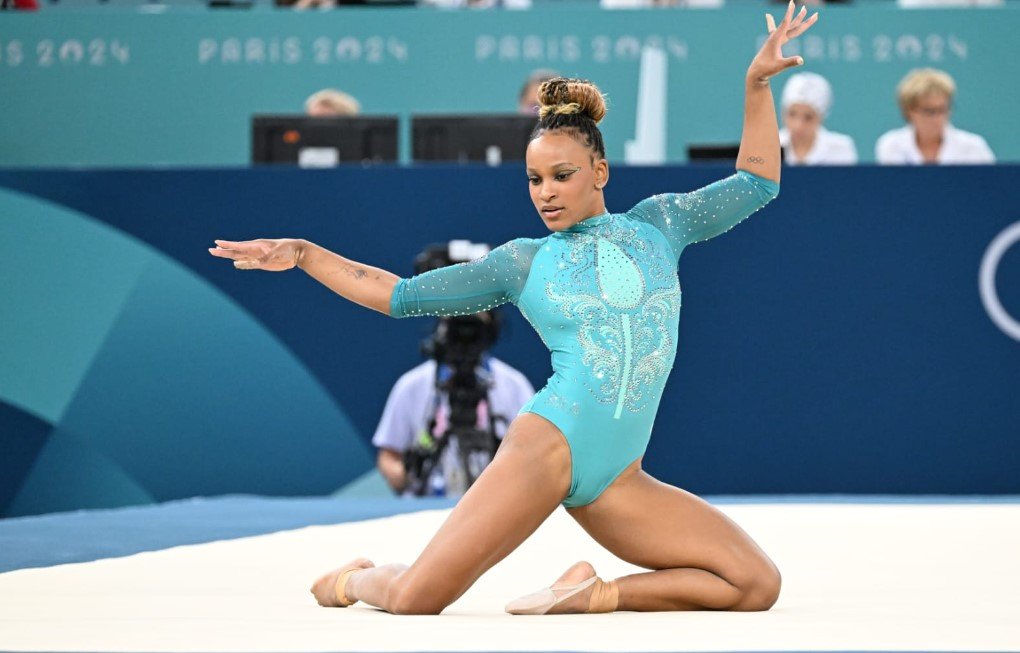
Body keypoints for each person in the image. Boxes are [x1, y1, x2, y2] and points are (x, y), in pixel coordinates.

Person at [209, 0, 818, 616]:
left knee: (755, 585)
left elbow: (756, 183)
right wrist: (306, 254)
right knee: (416, 598)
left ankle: (592, 591)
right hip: (546, 448)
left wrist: (757, 83)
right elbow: (398, 295)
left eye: (562, 175)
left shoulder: (660, 223)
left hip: (618, 480)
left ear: (599, 170)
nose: (546, 193)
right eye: (534, 180)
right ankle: (356, 579)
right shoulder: (524, 262)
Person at [374, 308, 535, 498]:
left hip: (496, 507)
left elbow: (535, 455)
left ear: (490, 328)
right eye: (457, 323)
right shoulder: (411, 385)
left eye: (473, 324)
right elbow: (389, 456)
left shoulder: (514, 385)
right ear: (443, 327)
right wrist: (407, 474)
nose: (464, 334)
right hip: (427, 508)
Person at [875, 68, 995, 165]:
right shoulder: (891, 145)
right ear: (909, 110)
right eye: (930, 111)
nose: (938, 118)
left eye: (943, 109)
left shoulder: (973, 147)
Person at [778, 72, 857, 165]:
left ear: (821, 117)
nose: (798, 125)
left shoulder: (840, 149)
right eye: (792, 114)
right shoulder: (767, 148)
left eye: (808, 117)